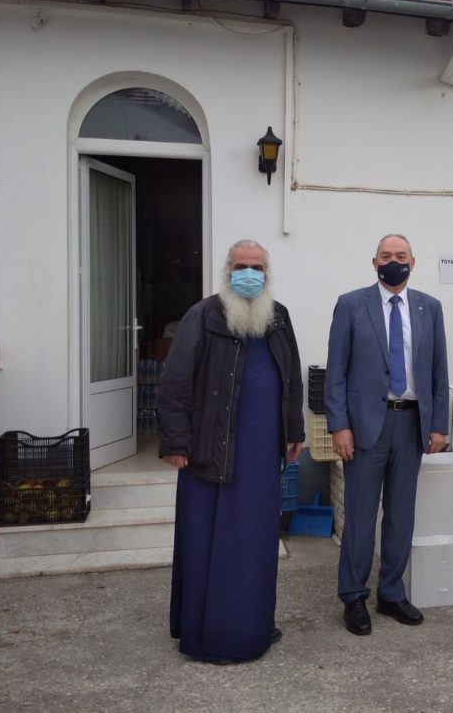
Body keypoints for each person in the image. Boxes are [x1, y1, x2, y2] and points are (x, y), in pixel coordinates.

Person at [158, 239, 304, 663]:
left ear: (267, 273)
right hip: (210, 449)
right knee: (208, 542)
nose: (249, 274)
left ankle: (253, 627)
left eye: (257, 267)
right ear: (227, 270)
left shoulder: (279, 317)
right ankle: (209, 635)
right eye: (241, 266)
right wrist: (176, 442)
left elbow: (292, 378)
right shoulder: (203, 316)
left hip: (261, 454)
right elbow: (175, 383)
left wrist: (294, 430)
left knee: (255, 543)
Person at [326, 234, 449, 636]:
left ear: (413, 261)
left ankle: (391, 593)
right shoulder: (351, 304)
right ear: (374, 262)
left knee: (400, 516)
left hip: (411, 425)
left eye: (400, 255)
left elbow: (439, 372)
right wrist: (339, 426)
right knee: (360, 518)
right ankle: (354, 596)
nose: (393, 261)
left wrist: (438, 425)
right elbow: (336, 372)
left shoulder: (430, 308)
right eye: (385, 255)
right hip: (365, 428)